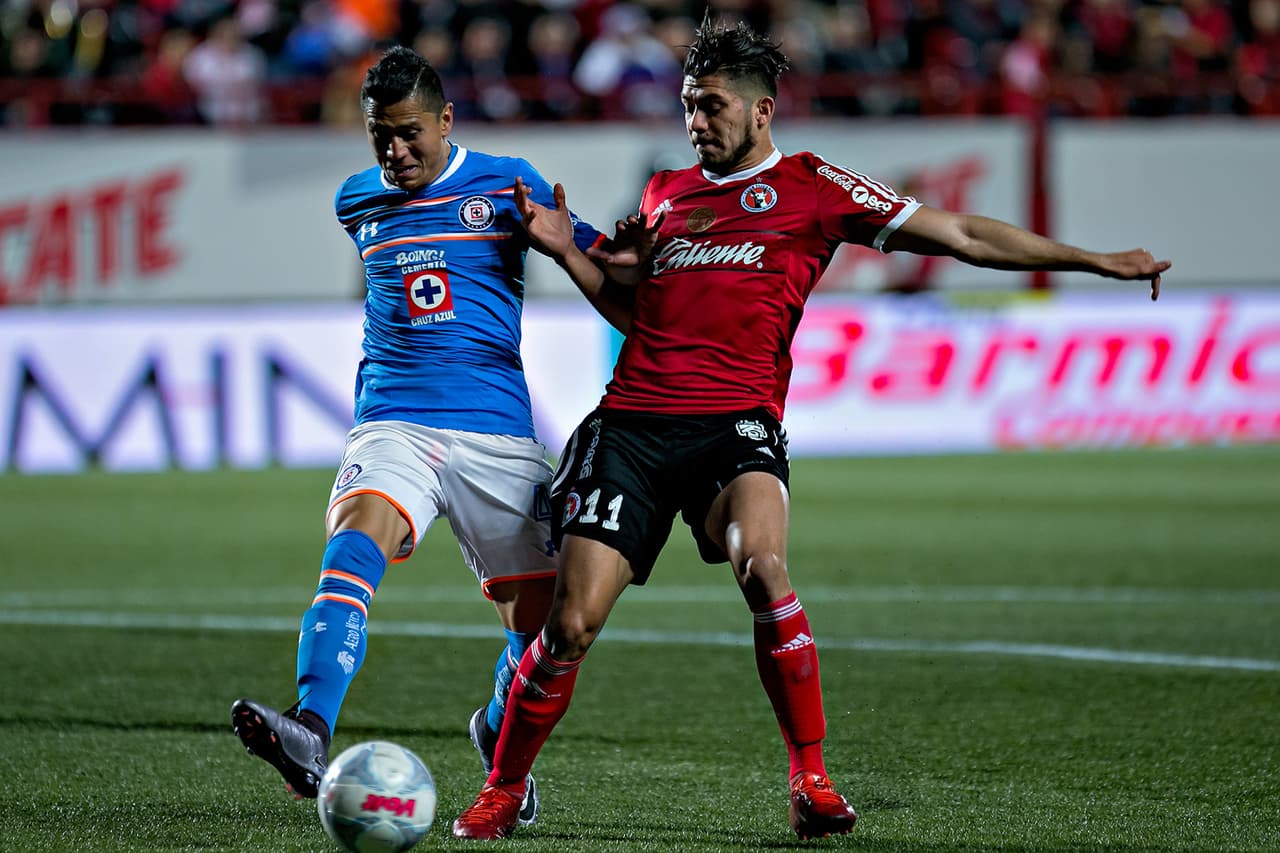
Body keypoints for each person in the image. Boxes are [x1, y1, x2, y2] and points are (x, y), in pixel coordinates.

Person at [450, 13, 1169, 843]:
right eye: (688, 103)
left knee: (765, 568)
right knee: (571, 623)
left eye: (711, 104)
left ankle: (811, 780)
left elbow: (963, 232)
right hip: (636, 425)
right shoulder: (663, 196)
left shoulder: (815, 188)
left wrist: (1093, 261)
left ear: (760, 111)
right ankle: (504, 784)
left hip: (739, 425)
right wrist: (566, 254)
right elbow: (635, 308)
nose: (694, 120)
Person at [229, 44, 610, 826]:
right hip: (394, 418)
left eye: (410, 134)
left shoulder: (510, 183)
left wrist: (599, 251)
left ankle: (499, 738)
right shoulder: (356, 202)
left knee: (545, 634)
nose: (395, 152)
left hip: (498, 435)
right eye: (380, 137)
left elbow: (601, 254)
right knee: (354, 538)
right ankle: (309, 727)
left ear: (445, 120)